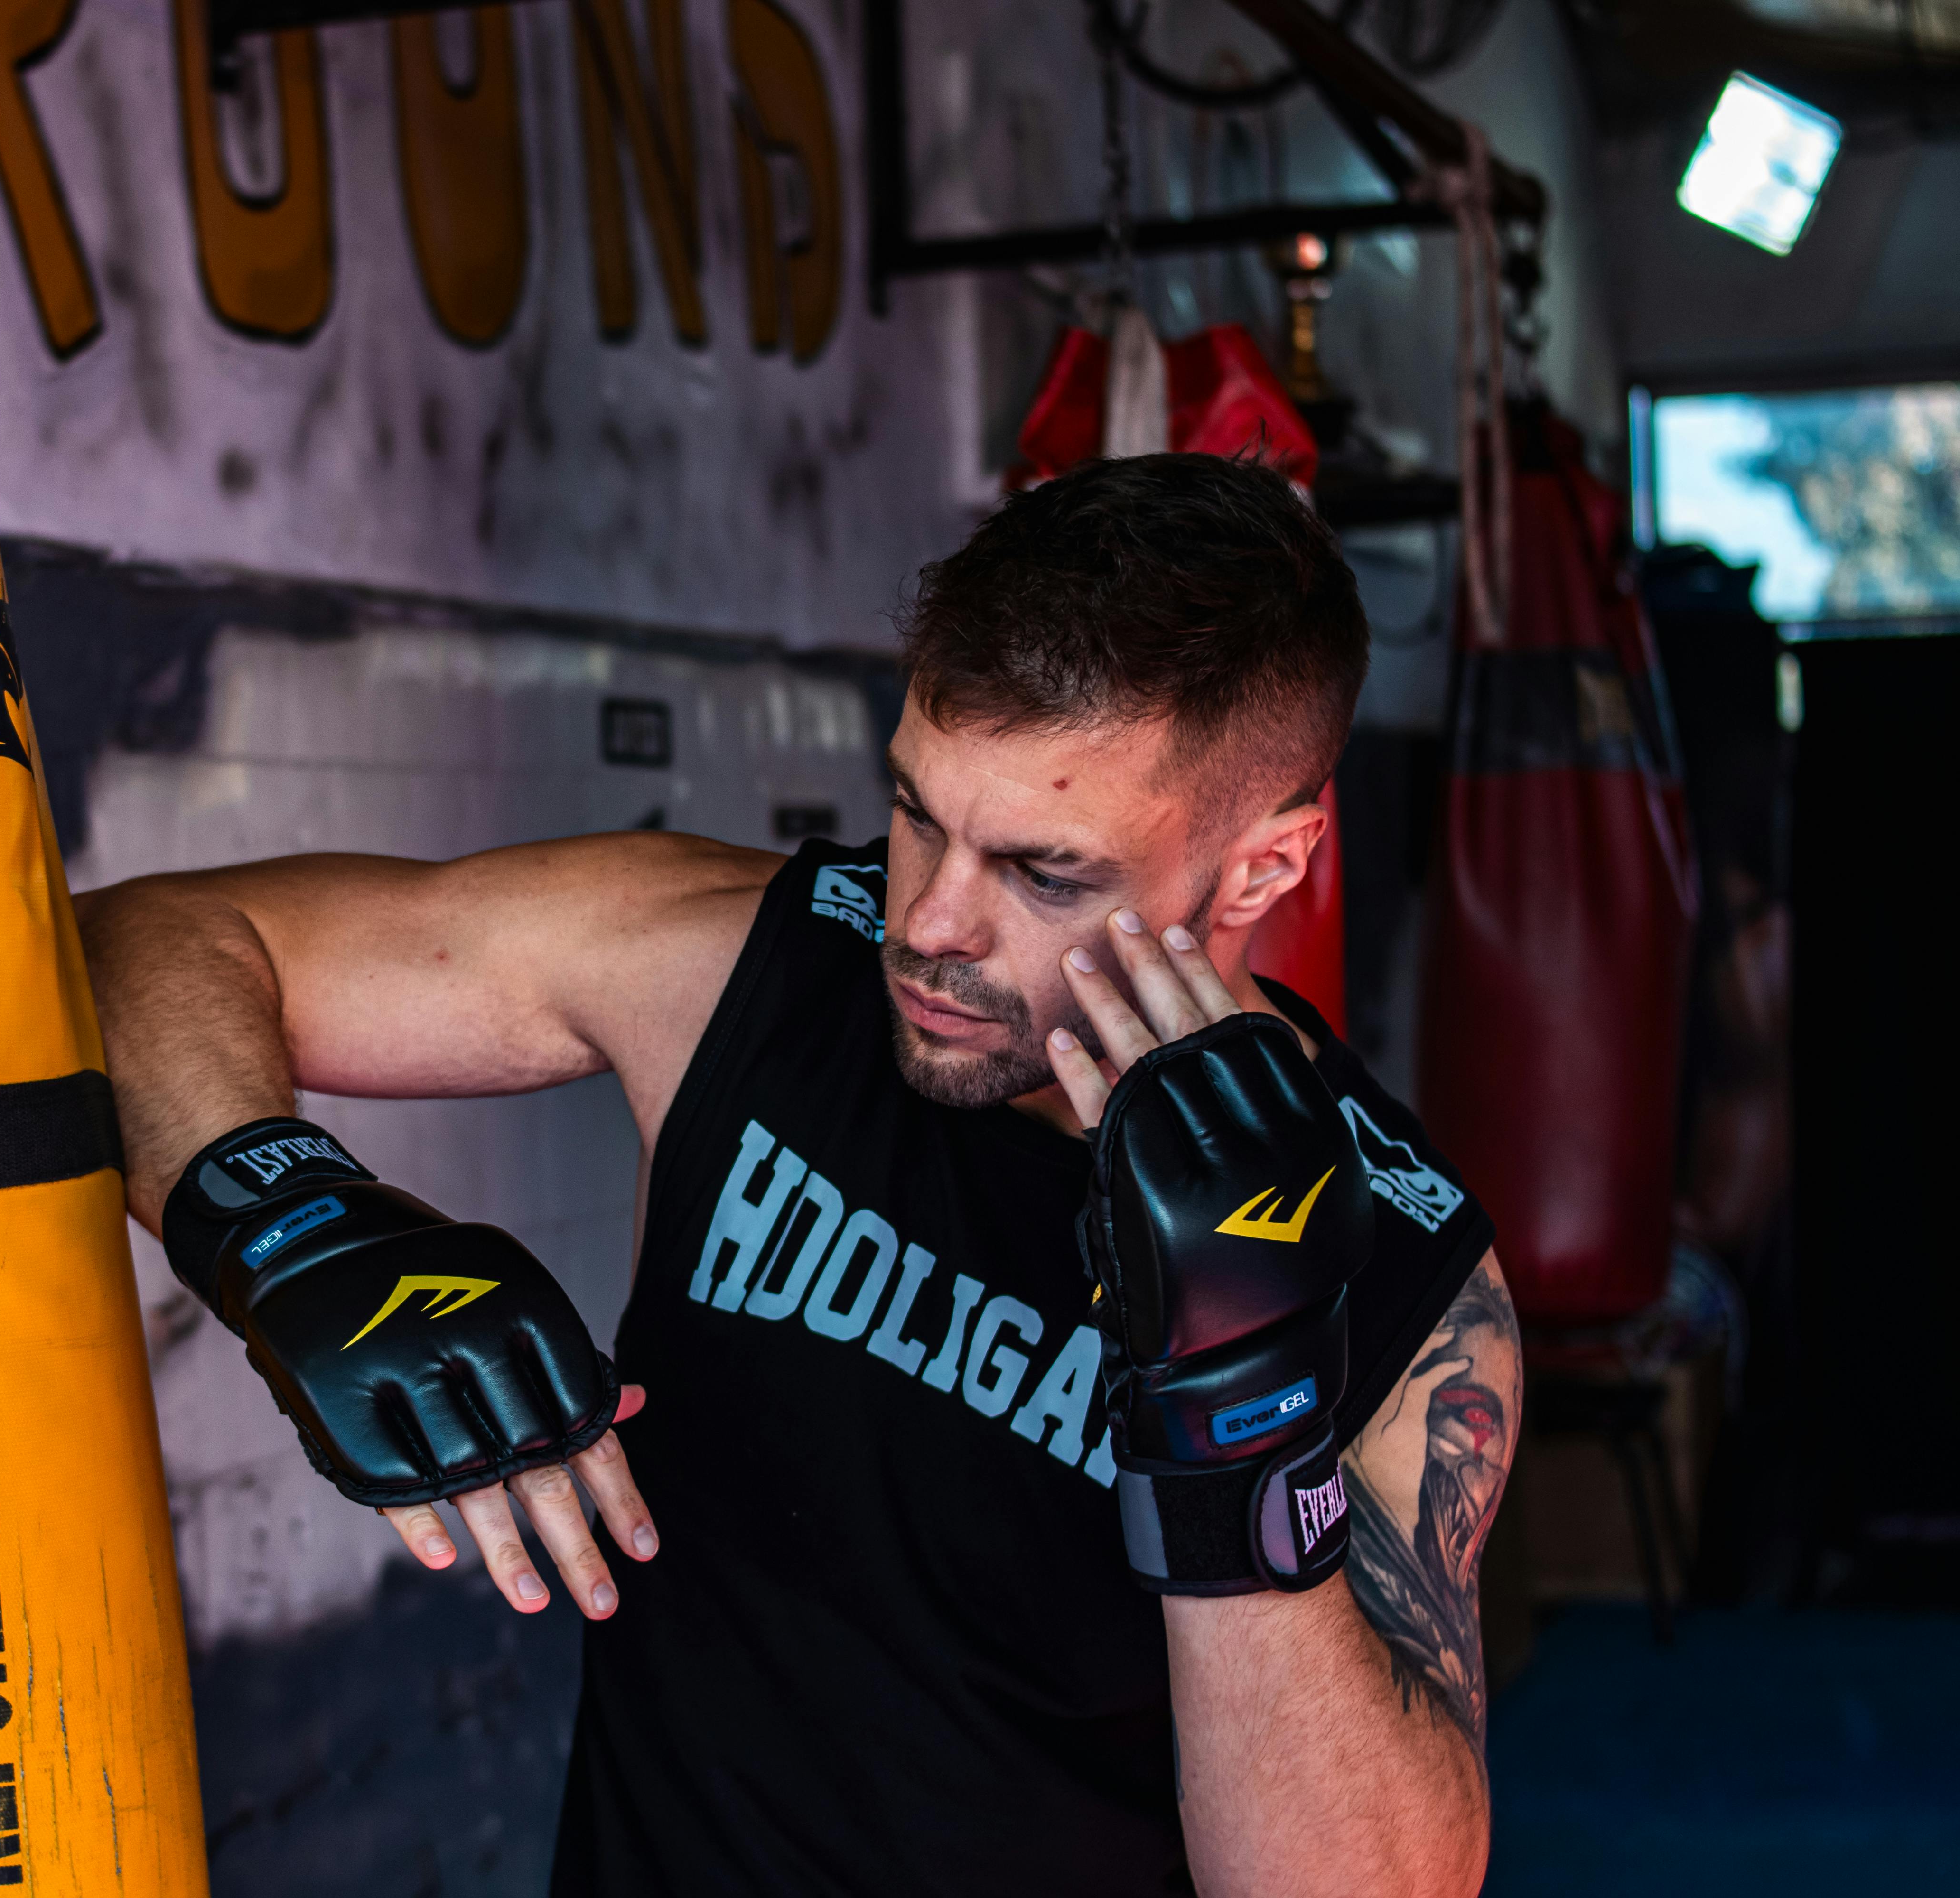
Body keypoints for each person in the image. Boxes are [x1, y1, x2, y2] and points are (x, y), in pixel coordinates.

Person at [77, 453, 1516, 1896]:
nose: (933, 924)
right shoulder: (739, 968)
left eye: (1046, 873)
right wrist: (288, 1220)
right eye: (916, 813)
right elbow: (144, 946)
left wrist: (1239, 1423)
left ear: (1266, 870)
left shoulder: (1407, 1272)